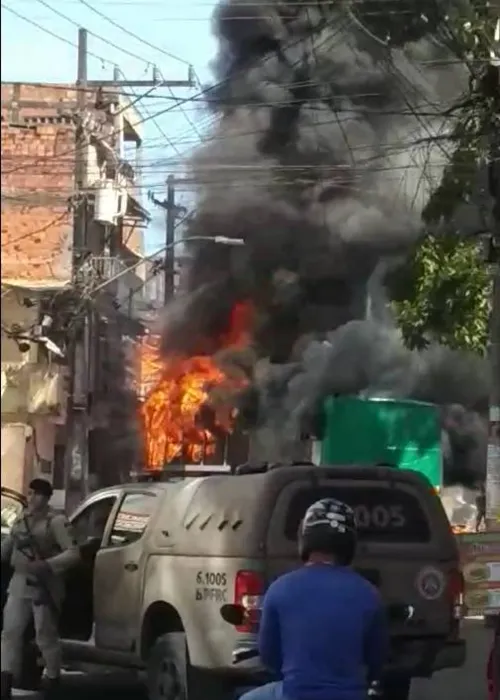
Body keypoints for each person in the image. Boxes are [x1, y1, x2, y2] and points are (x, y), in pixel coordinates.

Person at [241, 498, 389, 700]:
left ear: (305, 538)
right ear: (349, 543)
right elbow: (376, 660)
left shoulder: (279, 590)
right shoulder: (369, 594)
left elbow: (270, 659)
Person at [1, 478, 80, 699]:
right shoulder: (21, 520)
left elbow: (73, 554)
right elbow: (7, 549)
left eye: (37, 494)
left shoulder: (55, 522)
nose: (32, 498)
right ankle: (5, 680)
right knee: (10, 633)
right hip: (19, 582)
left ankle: (53, 678)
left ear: (46, 498)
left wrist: (47, 565)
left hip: (43, 585)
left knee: (45, 636)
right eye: (31, 493)